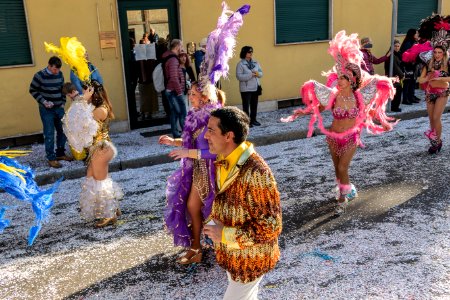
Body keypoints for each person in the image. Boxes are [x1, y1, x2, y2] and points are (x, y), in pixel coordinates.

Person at [281, 31, 397, 214]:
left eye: (344, 77)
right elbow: (318, 109)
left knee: (343, 167)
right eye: (340, 76)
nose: (339, 79)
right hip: (333, 137)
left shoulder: (359, 97)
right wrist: (302, 112)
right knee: (337, 169)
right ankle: (345, 192)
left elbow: (370, 111)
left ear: (351, 81)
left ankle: (345, 195)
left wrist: (382, 123)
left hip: (351, 137)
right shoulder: (333, 97)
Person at [203, 106, 282, 300]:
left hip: (251, 260)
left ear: (228, 136)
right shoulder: (224, 159)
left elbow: (271, 226)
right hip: (234, 257)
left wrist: (225, 234)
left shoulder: (256, 172)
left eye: (211, 130)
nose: (206, 135)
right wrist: (212, 222)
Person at [159, 82, 224, 264]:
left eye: (194, 94)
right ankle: (196, 248)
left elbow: (217, 151)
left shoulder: (214, 118)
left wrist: (189, 153)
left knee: (214, 212)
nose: (190, 97)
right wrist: (174, 141)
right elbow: (190, 143)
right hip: (197, 171)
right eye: (190, 93)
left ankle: (222, 247)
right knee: (192, 207)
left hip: (213, 173)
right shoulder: (193, 117)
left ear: (205, 97)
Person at [70, 80, 123, 228]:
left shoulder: (99, 110)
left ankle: (110, 215)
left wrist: (82, 100)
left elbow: (80, 122)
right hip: (98, 149)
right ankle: (114, 208)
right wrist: (81, 100)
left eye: (85, 91)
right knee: (92, 179)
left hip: (101, 149)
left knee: (100, 182)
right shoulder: (95, 107)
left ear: (92, 92)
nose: (83, 94)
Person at [29, 56, 73, 169]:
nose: (56, 72)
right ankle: (51, 158)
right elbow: (32, 90)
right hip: (46, 109)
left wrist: (63, 102)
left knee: (63, 131)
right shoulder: (39, 75)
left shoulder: (60, 74)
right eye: (54, 69)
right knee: (49, 133)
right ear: (49, 65)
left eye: (58, 69)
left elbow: (62, 90)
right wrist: (44, 101)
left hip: (59, 108)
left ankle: (60, 153)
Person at [417, 29, 450, 154]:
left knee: (436, 117)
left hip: (442, 92)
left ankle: (438, 140)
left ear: (444, 53)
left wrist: (440, 77)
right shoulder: (428, 64)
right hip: (430, 92)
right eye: (435, 52)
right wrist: (427, 78)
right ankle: (434, 142)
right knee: (431, 119)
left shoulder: (447, 64)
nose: (437, 54)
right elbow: (420, 80)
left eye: (439, 52)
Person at [163, 39, 186, 138]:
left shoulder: (170, 57)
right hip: (174, 91)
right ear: (177, 46)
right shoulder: (173, 59)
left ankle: (176, 133)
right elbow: (174, 77)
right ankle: (185, 135)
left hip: (171, 90)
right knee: (181, 112)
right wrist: (180, 92)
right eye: (181, 46)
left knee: (175, 113)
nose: (182, 48)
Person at [236, 46, 263, 127]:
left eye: (252, 51)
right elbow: (239, 77)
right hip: (246, 89)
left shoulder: (256, 62)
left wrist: (257, 74)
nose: (251, 53)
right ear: (244, 53)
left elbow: (261, 73)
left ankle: (253, 120)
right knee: (246, 107)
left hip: (255, 87)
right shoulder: (240, 64)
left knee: (254, 105)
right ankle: (247, 122)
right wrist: (251, 75)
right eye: (249, 52)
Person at [400, 29, 420, 105]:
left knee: (412, 81)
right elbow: (408, 55)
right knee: (407, 83)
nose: (417, 35)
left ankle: (411, 96)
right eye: (416, 33)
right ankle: (405, 99)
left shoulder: (414, 42)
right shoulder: (408, 43)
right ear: (412, 34)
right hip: (408, 66)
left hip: (413, 65)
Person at [384, 39, 405, 112]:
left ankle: (394, 106)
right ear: (392, 46)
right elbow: (395, 67)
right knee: (396, 92)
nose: (397, 47)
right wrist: (402, 75)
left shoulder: (397, 54)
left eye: (398, 46)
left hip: (396, 76)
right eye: (395, 46)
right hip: (393, 76)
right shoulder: (391, 55)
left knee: (397, 92)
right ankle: (394, 107)